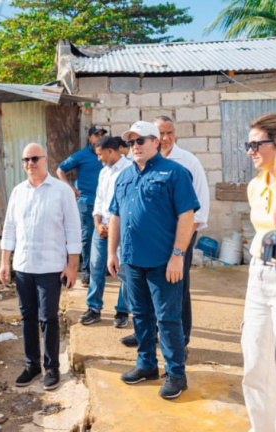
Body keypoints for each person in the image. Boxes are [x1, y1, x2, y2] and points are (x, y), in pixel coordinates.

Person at [107, 121, 200, 400]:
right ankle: (146, 365)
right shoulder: (123, 177)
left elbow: (187, 217)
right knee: (142, 316)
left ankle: (175, 374)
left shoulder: (175, 173)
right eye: (130, 142)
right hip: (133, 261)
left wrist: (178, 256)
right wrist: (112, 252)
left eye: (140, 141)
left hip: (163, 262)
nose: (134, 147)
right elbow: (116, 216)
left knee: (168, 319)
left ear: (155, 142)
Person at [119, 116, 211, 353]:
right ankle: (149, 334)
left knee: (177, 291)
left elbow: (195, 211)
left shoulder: (187, 163)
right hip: (147, 244)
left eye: (170, 133)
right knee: (145, 293)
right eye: (161, 133)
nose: (166, 138)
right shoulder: (136, 165)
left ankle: (181, 339)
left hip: (180, 239)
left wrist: (178, 250)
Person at [0, 143, 81, 391]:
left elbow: (73, 229)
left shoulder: (61, 191)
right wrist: (5, 261)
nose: (30, 164)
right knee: (27, 318)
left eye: (35, 158)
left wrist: (72, 265)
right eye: (25, 160)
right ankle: (31, 365)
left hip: (50, 267)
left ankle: (52, 368)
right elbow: (9, 228)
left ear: (45, 159)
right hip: (24, 266)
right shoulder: (18, 192)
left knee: (49, 318)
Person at [240, 114, 276, 430]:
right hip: (258, 273)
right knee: (255, 361)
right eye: (248, 144)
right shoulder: (255, 185)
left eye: (256, 144)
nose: (250, 151)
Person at [79, 136, 132, 327]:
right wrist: (97, 223)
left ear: (111, 151)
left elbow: (129, 204)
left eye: (100, 155)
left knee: (123, 270)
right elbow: (99, 201)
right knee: (96, 267)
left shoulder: (129, 170)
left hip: (123, 229)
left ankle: (122, 311)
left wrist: (114, 225)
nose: (99, 159)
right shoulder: (104, 173)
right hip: (101, 228)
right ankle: (94, 308)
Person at [57, 126, 105, 286]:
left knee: (104, 234)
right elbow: (60, 170)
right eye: (96, 135)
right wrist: (70, 188)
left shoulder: (107, 154)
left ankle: (100, 268)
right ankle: (87, 272)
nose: (99, 137)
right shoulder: (82, 155)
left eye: (102, 135)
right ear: (90, 138)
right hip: (87, 202)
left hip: (105, 204)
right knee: (88, 235)